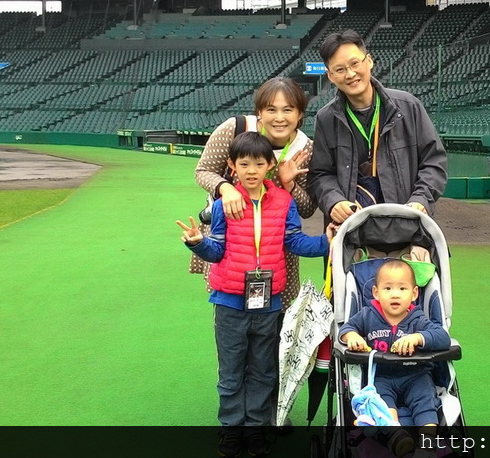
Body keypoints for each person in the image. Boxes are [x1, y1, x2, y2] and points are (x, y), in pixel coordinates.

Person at [177, 132, 334, 458]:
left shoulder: (284, 202)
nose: (251, 170)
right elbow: (216, 251)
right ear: (232, 166)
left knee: (264, 371)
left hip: (268, 306)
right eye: (244, 163)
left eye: (259, 164)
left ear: (270, 166)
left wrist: (328, 241)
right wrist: (197, 242)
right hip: (229, 304)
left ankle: (257, 430)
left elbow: (296, 243)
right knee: (232, 371)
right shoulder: (223, 205)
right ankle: (232, 431)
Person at [192, 76, 315, 308]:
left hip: (275, 247)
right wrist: (225, 188)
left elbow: (307, 209)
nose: (279, 118)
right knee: (230, 308)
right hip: (233, 241)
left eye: (288, 110)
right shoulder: (235, 129)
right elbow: (203, 171)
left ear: (299, 115)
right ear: (260, 111)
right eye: (271, 109)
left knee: (275, 317)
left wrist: (290, 185)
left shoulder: (306, 149)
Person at [309, 29, 447, 224]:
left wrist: (421, 199)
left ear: (369, 61)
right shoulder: (325, 119)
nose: (350, 74)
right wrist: (334, 201)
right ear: (330, 76)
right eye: (339, 70)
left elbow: (434, 162)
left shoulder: (409, 107)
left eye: (355, 63)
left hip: (406, 224)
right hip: (351, 230)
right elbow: (320, 174)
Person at [338, 259, 451, 430]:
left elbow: (443, 337)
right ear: (376, 293)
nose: (395, 294)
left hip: (416, 374)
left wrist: (418, 338)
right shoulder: (367, 315)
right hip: (381, 376)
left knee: (425, 398)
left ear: (414, 294)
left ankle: (428, 443)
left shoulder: (418, 319)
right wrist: (352, 336)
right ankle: (395, 434)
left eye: (402, 288)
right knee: (380, 401)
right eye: (388, 288)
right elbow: (346, 328)